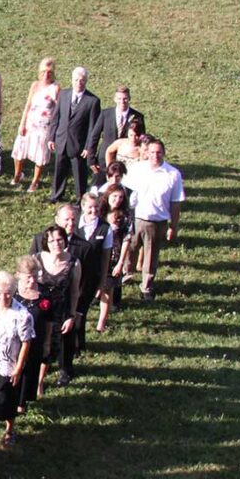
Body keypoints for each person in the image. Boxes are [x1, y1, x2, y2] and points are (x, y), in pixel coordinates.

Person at [124, 137, 184, 302]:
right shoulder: (137, 169)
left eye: (158, 152)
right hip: (135, 218)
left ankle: (146, 287)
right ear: (146, 153)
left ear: (164, 153)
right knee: (129, 250)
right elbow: (125, 191)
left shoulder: (173, 174)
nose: (155, 155)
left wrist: (174, 226)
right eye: (151, 152)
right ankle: (125, 276)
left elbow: (176, 203)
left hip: (157, 223)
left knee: (150, 257)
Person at [0, 273, 34, 446]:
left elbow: (26, 343)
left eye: (8, 293)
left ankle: (10, 429)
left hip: (8, 362)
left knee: (6, 397)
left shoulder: (22, 315)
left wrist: (18, 368)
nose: (3, 297)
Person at [35, 225, 82, 386]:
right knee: (37, 347)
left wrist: (71, 316)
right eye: (52, 240)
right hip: (39, 312)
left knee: (51, 349)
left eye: (60, 239)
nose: (56, 243)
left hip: (61, 313)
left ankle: (40, 382)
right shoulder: (36, 260)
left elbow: (75, 292)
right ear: (46, 242)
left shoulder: (74, 263)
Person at [48, 66, 101, 204]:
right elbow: (56, 117)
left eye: (82, 80)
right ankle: (56, 195)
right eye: (76, 80)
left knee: (79, 173)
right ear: (72, 80)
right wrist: (51, 137)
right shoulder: (64, 94)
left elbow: (93, 127)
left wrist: (88, 147)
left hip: (78, 144)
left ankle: (80, 199)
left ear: (86, 81)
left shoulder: (92, 101)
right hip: (61, 140)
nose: (79, 83)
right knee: (59, 170)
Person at [10, 58, 60, 192]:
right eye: (43, 72)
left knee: (40, 154)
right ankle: (17, 175)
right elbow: (28, 104)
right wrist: (22, 123)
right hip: (30, 123)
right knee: (19, 150)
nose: (46, 75)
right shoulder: (35, 85)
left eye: (49, 72)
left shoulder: (55, 87)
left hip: (44, 126)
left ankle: (35, 181)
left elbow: (57, 108)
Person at [74, 192, 113, 353]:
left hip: (90, 278)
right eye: (90, 207)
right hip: (72, 276)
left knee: (81, 311)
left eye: (96, 207)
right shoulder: (72, 224)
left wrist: (102, 282)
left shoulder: (105, 228)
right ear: (82, 206)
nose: (93, 210)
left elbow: (105, 258)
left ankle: (78, 344)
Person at [14, 255, 52, 406]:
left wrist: (47, 342)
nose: (32, 281)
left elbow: (49, 319)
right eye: (28, 277)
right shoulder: (12, 293)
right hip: (15, 340)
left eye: (35, 276)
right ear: (18, 275)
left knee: (30, 369)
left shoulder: (44, 294)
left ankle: (22, 402)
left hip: (36, 338)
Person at [88, 85, 143, 187]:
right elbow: (94, 136)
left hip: (126, 161)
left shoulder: (138, 116)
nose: (122, 101)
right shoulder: (105, 114)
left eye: (125, 98)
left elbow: (141, 140)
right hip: (104, 160)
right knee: (98, 188)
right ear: (114, 99)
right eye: (119, 98)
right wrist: (91, 159)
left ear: (129, 98)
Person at [96, 190, 133, 331]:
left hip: (113, 256)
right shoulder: (99, 213)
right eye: (114, 196)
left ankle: (102, 322)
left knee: (108, 288)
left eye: (121, 197)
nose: (117, 200)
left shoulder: (125, 216)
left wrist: (120, 263)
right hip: (97, 254)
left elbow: (127, 239)